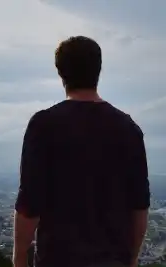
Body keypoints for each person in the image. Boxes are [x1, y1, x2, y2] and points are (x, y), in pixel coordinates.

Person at [13, 36, 150, 267]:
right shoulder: (128, 129)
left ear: (61, 73)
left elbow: (30, 203)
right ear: (99, 70)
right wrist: (132, 257)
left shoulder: (44, 125)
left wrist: (18, 257)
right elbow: (140, 205)